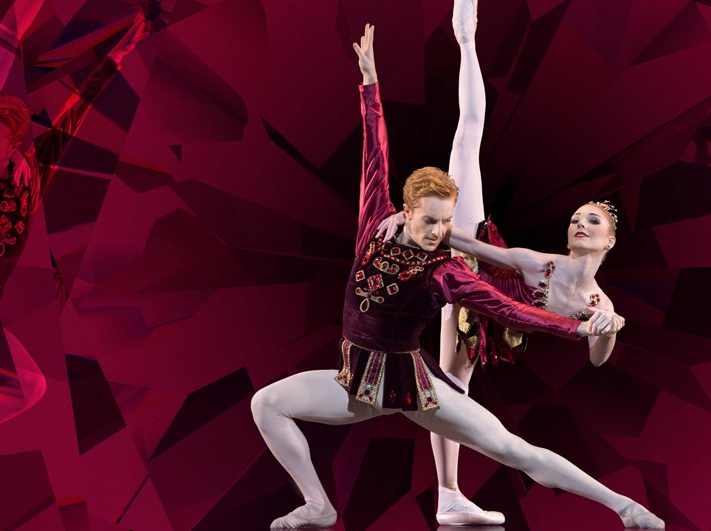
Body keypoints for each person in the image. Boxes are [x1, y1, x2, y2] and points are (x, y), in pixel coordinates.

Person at [249, 23, 665, 529]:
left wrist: (578, 328)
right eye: (430, 221)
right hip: (355, 384)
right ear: (405, 211)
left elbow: (509, 311)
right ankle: (318, 505)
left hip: (414, 386)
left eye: (446, 222)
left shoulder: (444, 271)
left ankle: (626, 508)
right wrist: (369, 84)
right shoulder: (375, 223)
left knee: (512, 448)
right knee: (267, 403)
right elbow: (374, 153)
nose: (439, 232)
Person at [375, 1, 627, 524]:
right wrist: (415, 220)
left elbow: (599, 359)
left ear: (608, 243)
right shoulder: (538, 263)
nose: (579, 224)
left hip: (495, 318)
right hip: (472, 277)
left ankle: (448, 498)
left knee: (454, 389)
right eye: (576, 218)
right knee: (467, 136)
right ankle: (466, 36)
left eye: (592, 221)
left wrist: (608, 328)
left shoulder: (597, 301)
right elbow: (475, 251)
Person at [0, 1, 154, 445]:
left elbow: (77, 110)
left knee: (30, 386)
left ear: (14, 147)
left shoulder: (32, 171)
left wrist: (118, 54)